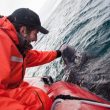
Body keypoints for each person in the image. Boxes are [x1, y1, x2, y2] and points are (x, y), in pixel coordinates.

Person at [0, 8, 62, 110]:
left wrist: (58, 53)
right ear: (23, 30)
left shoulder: (17, 46)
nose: (36, 39)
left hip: (10, 91)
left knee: (40, 97)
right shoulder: (2, 42)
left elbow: (35, 57)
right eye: (35, 33)